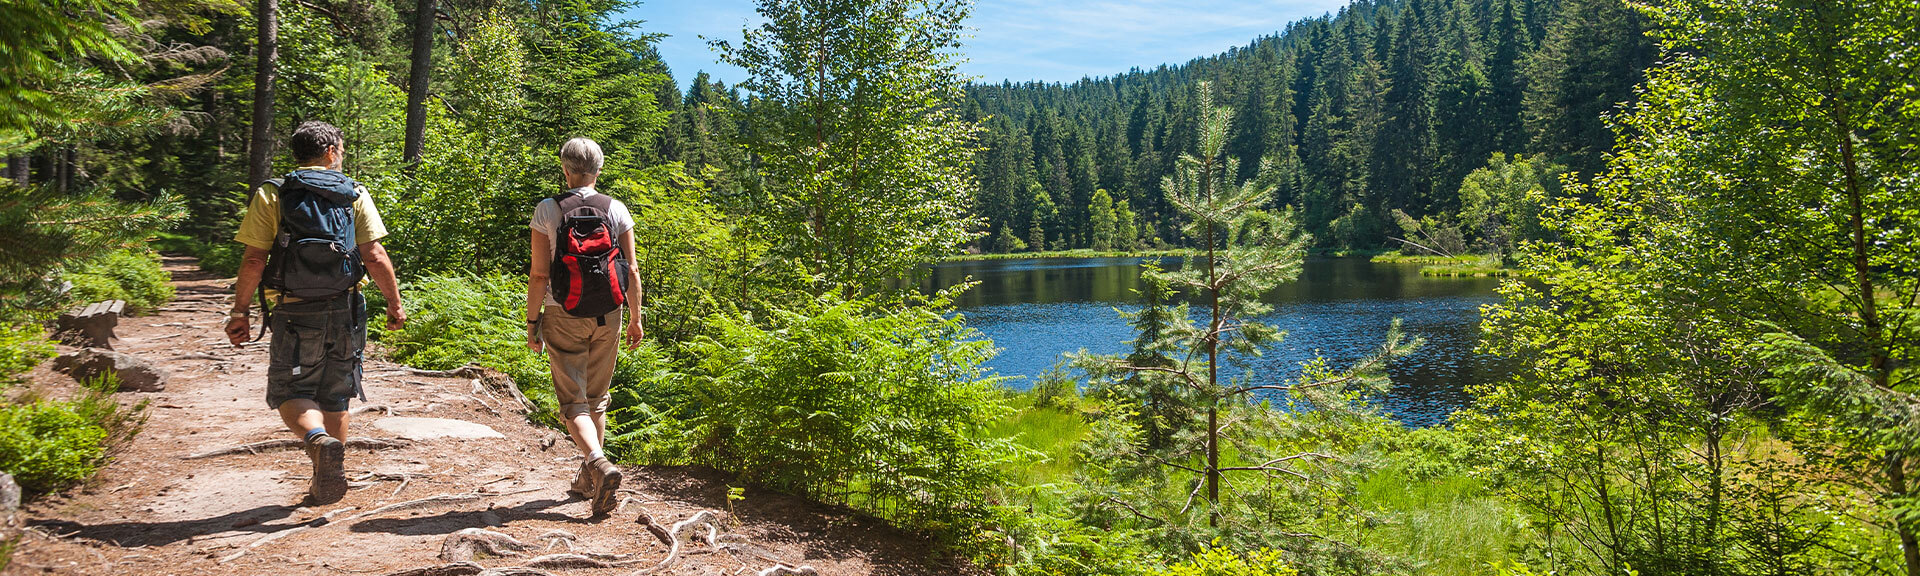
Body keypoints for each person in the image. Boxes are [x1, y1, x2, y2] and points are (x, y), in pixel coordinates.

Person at [225, 121, 406, 505]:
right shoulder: (354, 192)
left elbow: (255, 257)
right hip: (347, 307)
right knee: (336, 393)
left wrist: (240, 311)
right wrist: (394, 303)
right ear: (330, 151)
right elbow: (374, 255)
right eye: (340, 149)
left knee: (290, 389)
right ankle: (328, 477)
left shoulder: (273, 194)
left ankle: (317, 442)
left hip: (293, 308)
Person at [525, 137, 643, 517]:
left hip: (563, 312)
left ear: (565, 169)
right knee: (597, 397)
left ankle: (596, 462)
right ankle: (590, 480)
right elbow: (633, 270)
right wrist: (636, 319)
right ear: (599, 169)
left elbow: (540, 274)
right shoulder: (617, 208)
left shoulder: (548, 210)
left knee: (573, 401)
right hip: (609, 313)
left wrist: (533, 323)